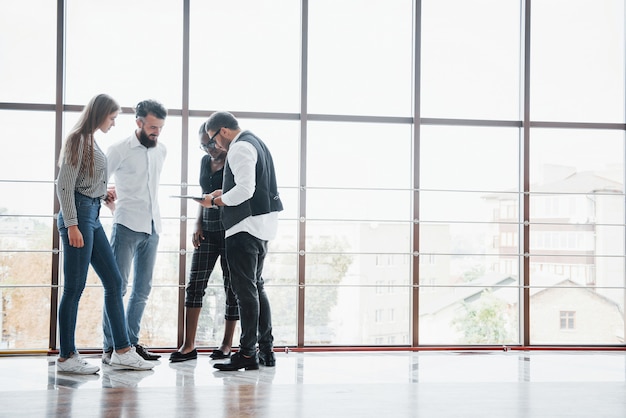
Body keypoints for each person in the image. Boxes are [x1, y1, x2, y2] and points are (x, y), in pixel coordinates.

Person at [55, 93, 155, 374]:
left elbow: (84, 179)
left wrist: (101, 192)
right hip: (79, 217)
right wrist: (73, 225)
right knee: (74, 288)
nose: (113, 123)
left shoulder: (89, 140)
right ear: (100, 114)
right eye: (112, 118)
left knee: (113, 281)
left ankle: (122, 350)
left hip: (92, 214)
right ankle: (66, 357)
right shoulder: (78, 138)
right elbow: (64, 185)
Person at [199, 111, 283, 371]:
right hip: (261, 226)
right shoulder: (256, 141)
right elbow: (249, 184)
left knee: (245, 292)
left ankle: (247, 354)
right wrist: (222, 193)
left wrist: (214, 201)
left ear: (223, 131)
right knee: (256, 288)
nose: (215, 146)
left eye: (213, 139)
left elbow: (246, 190)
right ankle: (266, 350)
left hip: (244, 228)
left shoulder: (239, 147)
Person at [101, 99, 168, 364]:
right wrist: (109, 203)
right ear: (138, 122)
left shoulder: (161, 150)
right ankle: (111, 348)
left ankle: (130, 344)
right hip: (126, 225)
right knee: (117, 288)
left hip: (153, 227)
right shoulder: (119, 149)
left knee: (142, 289)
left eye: (160, 127)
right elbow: (99, 181)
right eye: (152, 126)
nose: (157, 132)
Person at [169, 122, 239, 363]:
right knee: (195, 284)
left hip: (231, 229)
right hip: (207, 228)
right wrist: (198, 224)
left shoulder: (235, 159)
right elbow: (203, 197)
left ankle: (227, 344)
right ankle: (189, 346)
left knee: (232, 287)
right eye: (203, 146)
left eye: (210, 143)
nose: (209, 149)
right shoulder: (204, 162)